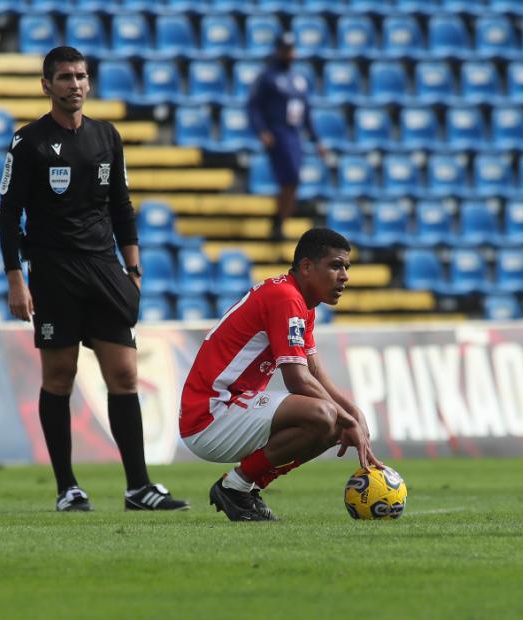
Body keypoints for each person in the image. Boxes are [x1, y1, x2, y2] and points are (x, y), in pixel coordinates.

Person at [0, 46, 189, 513]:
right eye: (64, 77)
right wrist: (16, 280)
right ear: (47, 86)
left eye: (81, 76)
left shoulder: (107, 137)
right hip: (54, 270)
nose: (75, 85)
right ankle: (68, 487)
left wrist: (133, 268)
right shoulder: (29, 144)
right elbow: (7, 217)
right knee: (59, 376)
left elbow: (121, 206)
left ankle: (138, 487)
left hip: (104, 269)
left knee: (124, 375)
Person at [179, 228, 383, 521]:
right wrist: (345, 417)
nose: (345, 276)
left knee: (334, 422)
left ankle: (241, 488)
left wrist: (353, 414)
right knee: (325, 415)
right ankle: (235, 487)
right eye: (336, 265)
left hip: (231, 408)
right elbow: (297, 379)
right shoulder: (285, 298)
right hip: (211, 414)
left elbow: (315, 372)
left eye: (347, 267)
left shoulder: (301, 302)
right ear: (307, 267)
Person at [246, 33, 329, 240]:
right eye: (286, 49)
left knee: (293, 181)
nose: (290, 54)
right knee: (290, 177)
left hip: (295, 134)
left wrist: (316, 139)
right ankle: (278, 222)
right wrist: (262, 130)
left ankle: (279, 220)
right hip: (279, 132)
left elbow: (306, 111)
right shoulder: (268, 76)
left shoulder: (298, 79)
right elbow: (253, 106)